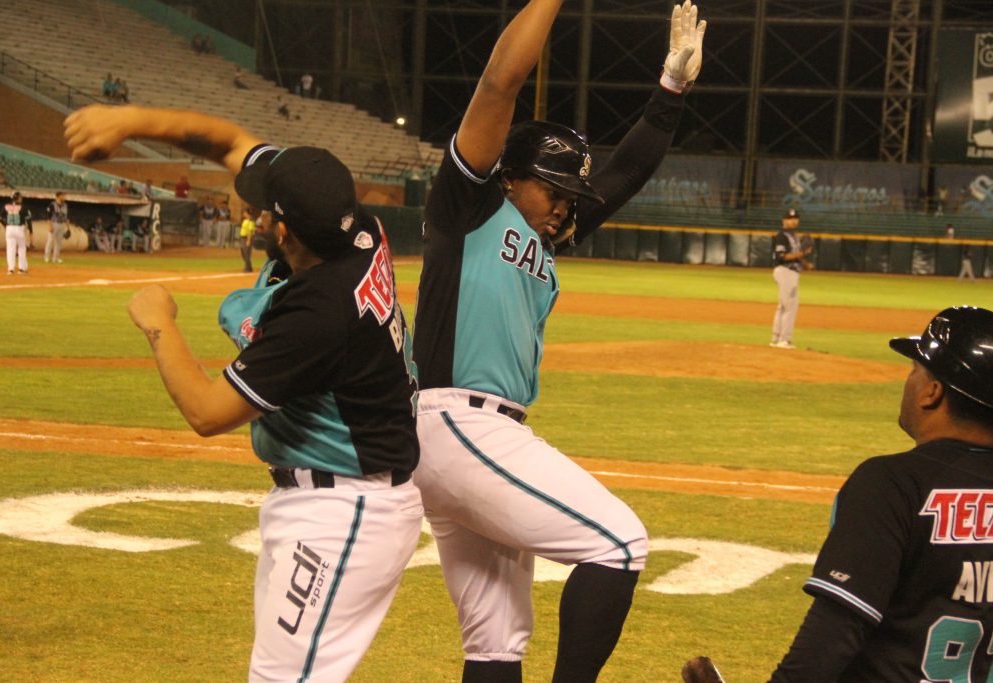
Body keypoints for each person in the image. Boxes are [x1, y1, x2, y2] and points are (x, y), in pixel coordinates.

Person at [64, 102, 423, 683]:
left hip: (346, 511)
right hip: (329, 498)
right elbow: (230, 140)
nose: (249, 208)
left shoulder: (318, 315)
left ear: (283, 231)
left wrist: (159, 324)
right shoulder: (356, 230)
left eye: (261, 209)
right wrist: (128, 121)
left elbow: (207, 413)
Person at [410, 1, 706, 681]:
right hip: (457, 425)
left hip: (470, 436)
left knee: (496, 641)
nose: (567, 204)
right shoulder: (468, 206)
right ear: (509, 177)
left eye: (572, 194)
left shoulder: (548, 233)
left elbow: (623, 176)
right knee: (618, 541)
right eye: (555, 189)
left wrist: (670, 91)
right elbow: (500, 83)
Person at [765, 306, 993, 682]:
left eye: (915, 370)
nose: (909, 381)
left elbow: (831, 637)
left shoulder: (892, 483)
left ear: (932, 393)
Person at [770, 207, 811, 349]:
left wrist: (804, 263)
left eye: (795, 218)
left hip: (790, 272)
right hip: (785, 272)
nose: (793, 221)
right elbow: (782, 256)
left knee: (783, 306)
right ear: (784, 220)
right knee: (790, 306)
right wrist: (803, 253)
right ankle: (784, 340)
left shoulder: (794, 237)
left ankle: (776, 339)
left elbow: (794, 256)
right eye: (790, 219)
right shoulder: (782, 236)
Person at [0, 191, 32, 275]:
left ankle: (10, 269)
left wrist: (5, 225)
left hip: (9, 228)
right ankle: (22, 269)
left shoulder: (7, 206)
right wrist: (31, 231)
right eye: (20, 197)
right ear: (17, 198)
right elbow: (28, 219)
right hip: (19, 228)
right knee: (22, 248)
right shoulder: (23, 207)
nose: (21, 198)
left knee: (10, 249)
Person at [45, 191, 68, 263]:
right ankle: (47, 257)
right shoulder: (52, 205)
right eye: (63, 196)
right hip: (54, 223)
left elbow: (66, 217)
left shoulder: (65, 205)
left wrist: (68, 228)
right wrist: (50, 226)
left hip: (62, 224)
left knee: (59, 242)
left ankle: (55, 258)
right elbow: (48, 216)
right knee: (50, 241)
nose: (64, 197)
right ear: (58, 196)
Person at [239, 207, 256, 272]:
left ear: (247, 213)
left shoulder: (251, 221)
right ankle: (249, 266)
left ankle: (247, 268)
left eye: (244, 212)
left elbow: (250, 231)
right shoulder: (245, 220)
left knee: (247, 253)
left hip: (247, 238)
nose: (244, 214)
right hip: (242, 238)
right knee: (243, 252)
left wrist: (248, 240)